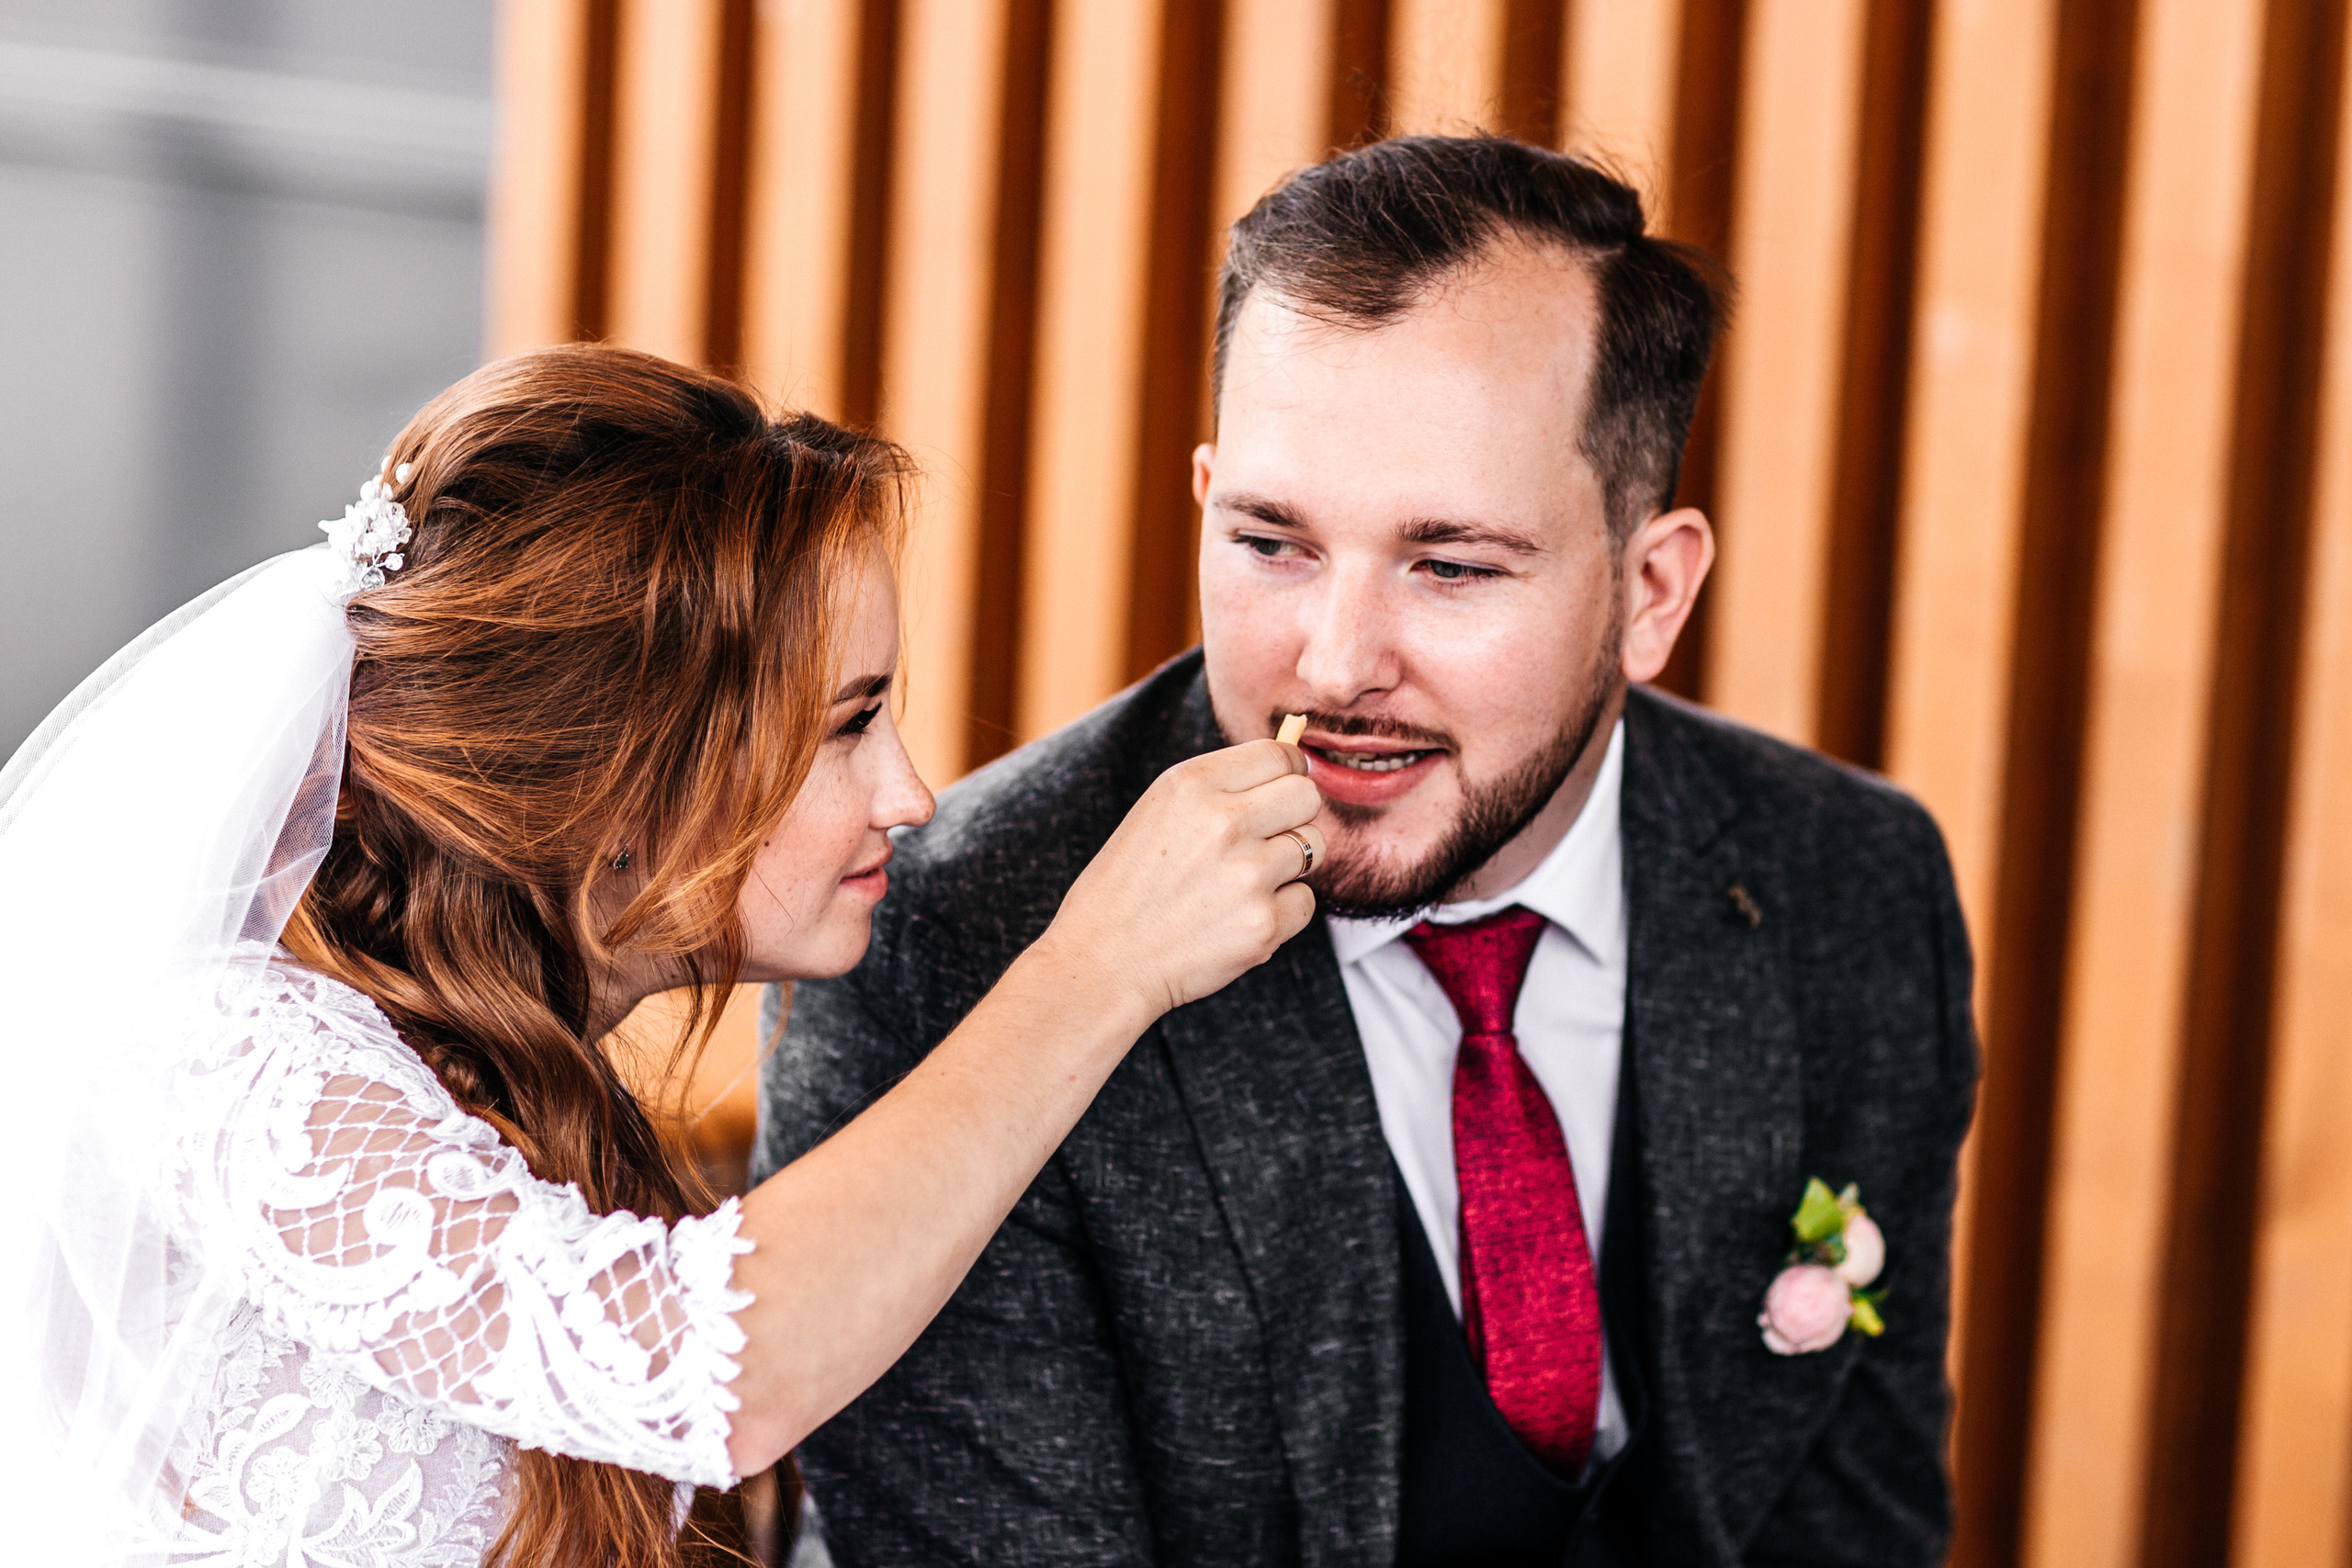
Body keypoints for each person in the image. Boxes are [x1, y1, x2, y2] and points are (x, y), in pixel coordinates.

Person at [759, 136, 1978, 1566]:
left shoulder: (1852, 885)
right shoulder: (943, 937)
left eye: (1451, 565)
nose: (1334, 664)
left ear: (1651, 590)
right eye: (1272, 541)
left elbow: (1856, 1530)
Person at [0, 344, 1324, 1568]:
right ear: (614, 775)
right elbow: (709, 1368)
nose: (912, 796)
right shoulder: (218, 1064)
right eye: (845, 728)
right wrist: (1098, 968)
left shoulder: (514, 1088)